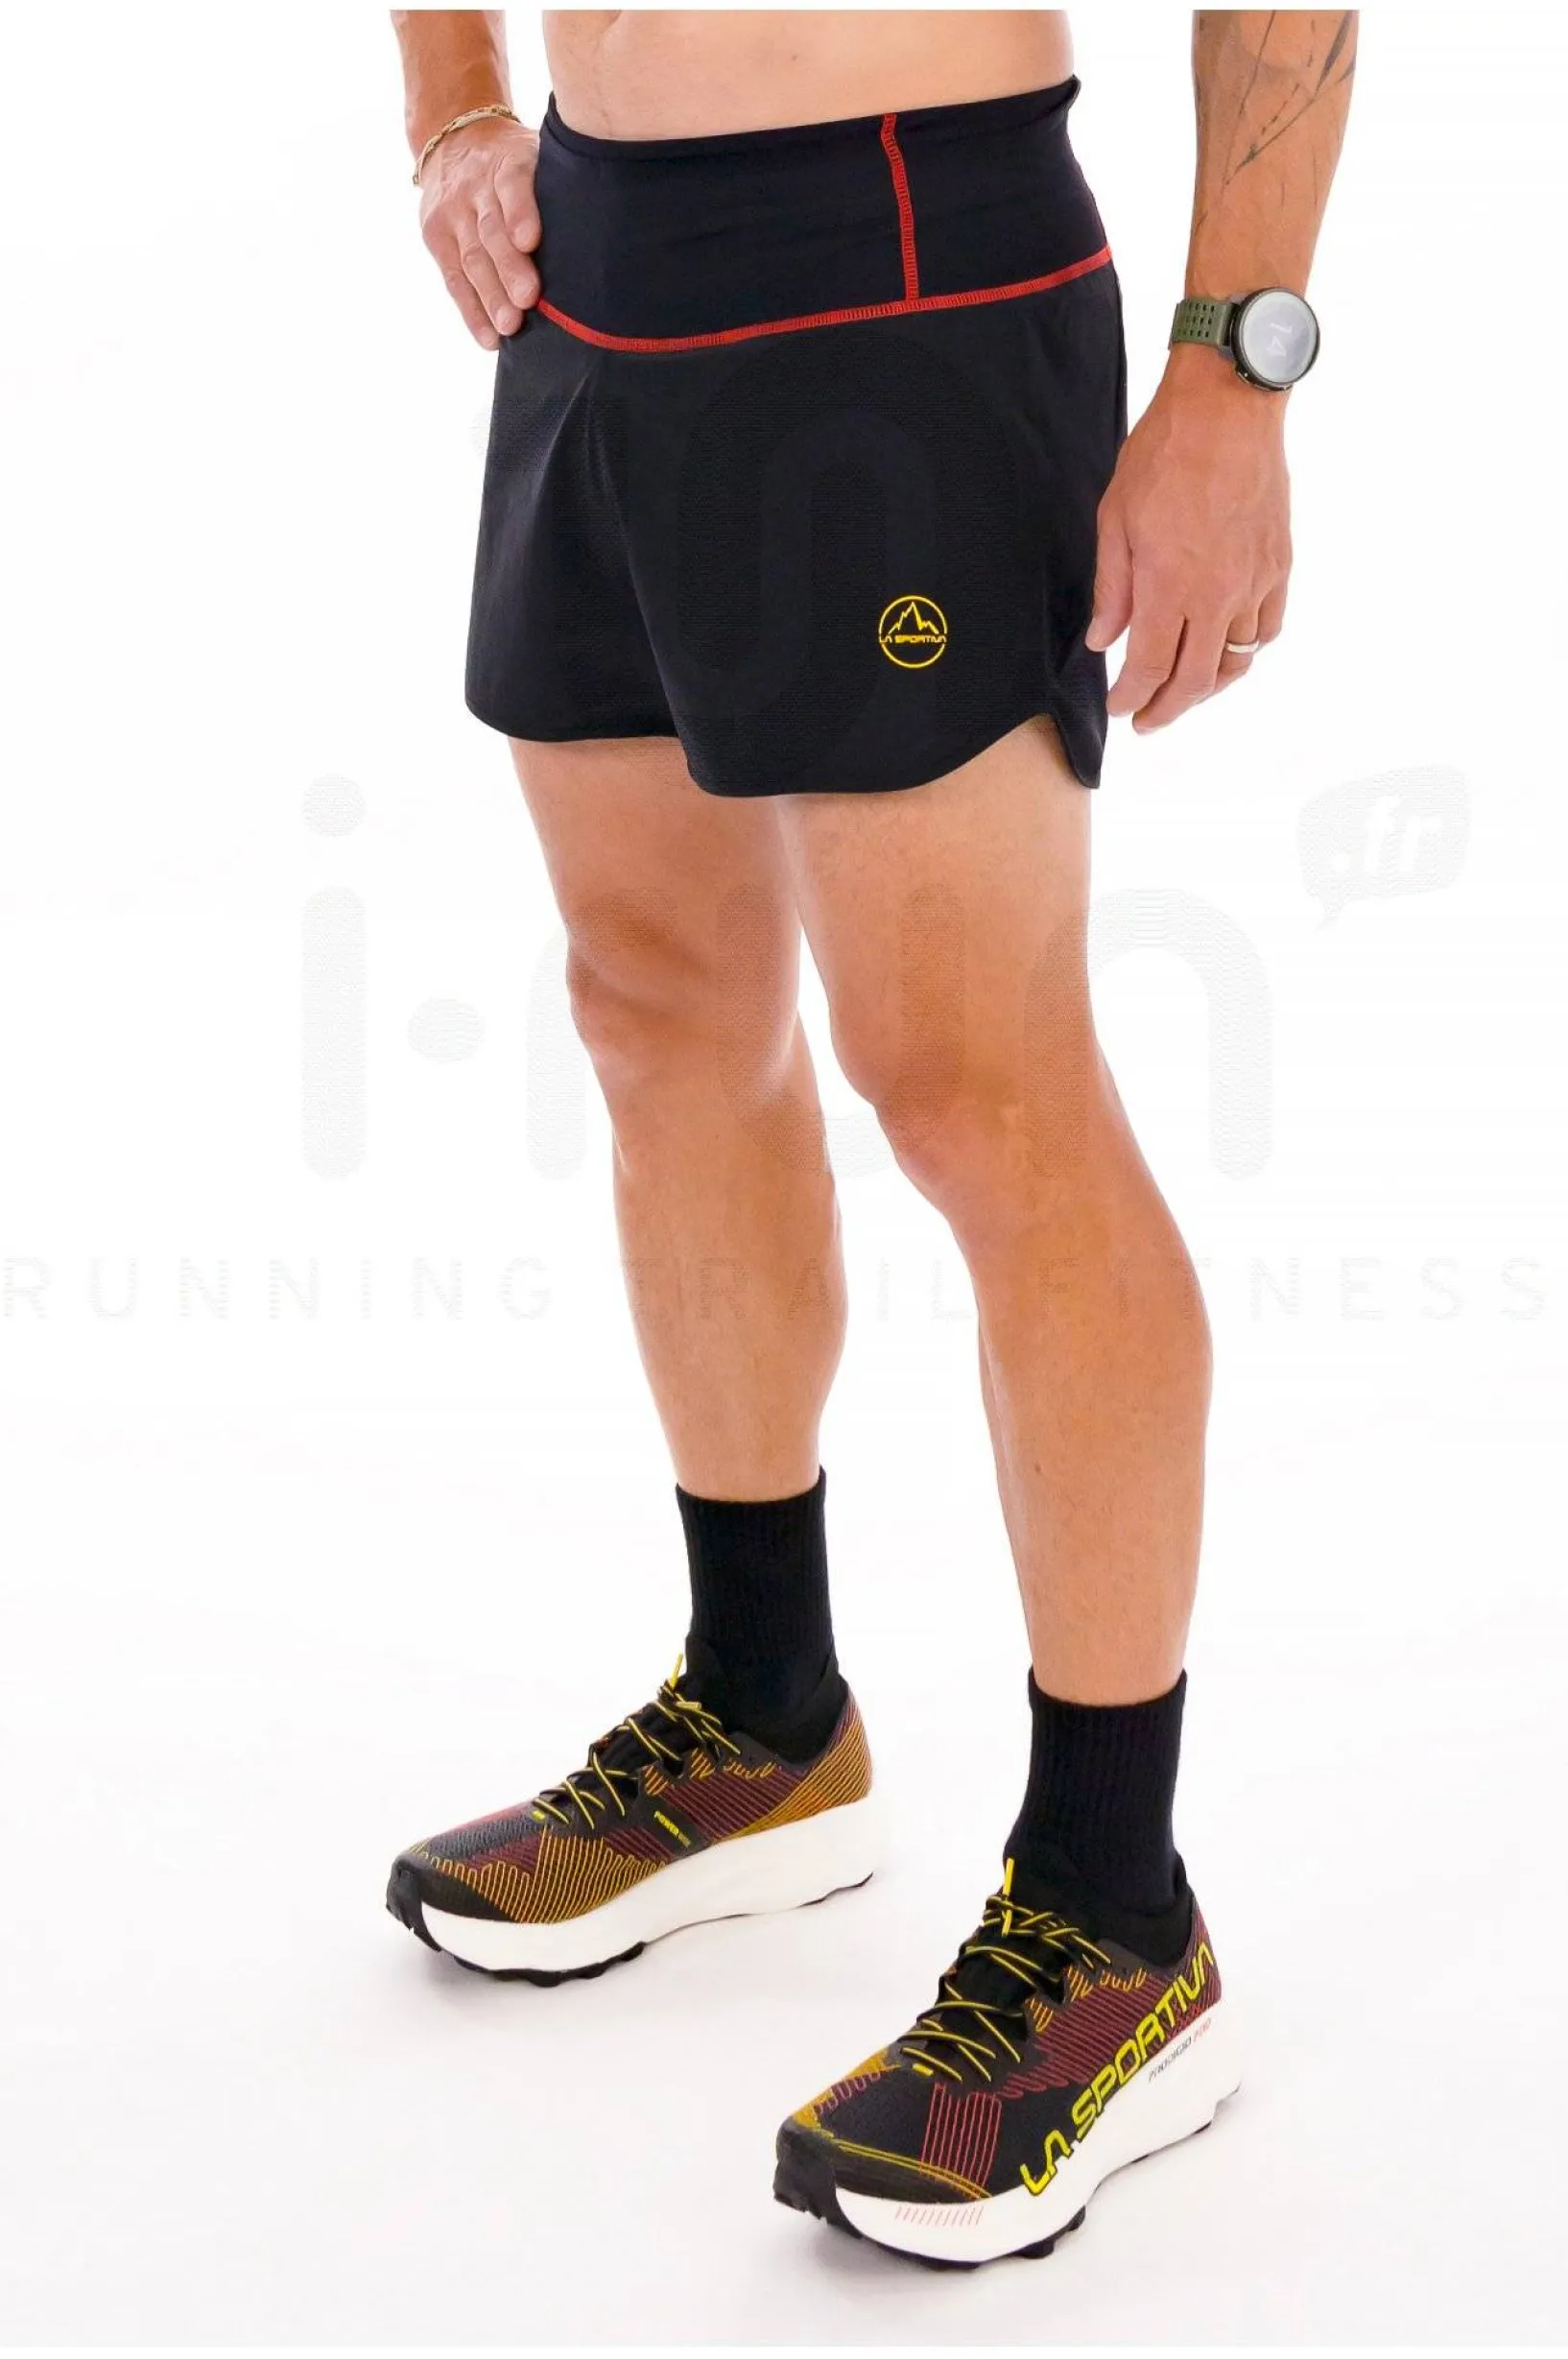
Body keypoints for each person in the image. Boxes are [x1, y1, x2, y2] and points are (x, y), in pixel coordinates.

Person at [385, 7, 1354, 2266]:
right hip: (595, 272)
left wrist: (1234, 371)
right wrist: (450, 109)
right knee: (652, 1007)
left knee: (974, 1085)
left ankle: (1114, 1912)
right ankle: (763, 1712)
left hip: (905, 259)